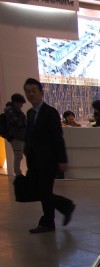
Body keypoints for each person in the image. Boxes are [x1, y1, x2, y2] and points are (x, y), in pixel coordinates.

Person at [22, 77, 75, 233]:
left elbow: (57, 137)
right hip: (34, 160)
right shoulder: (30, 113)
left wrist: (62, 159)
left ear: (41, 93)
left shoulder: (50, 112)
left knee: (44, 192)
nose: (30, 94)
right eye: (27, 91)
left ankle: (50, 219)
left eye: (33, 91)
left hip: (47, 161)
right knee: (40, 191)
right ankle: (61, 210)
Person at [3, 93, 28, 176]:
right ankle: (17, 172)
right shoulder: (10, 111)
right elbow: (17, 122)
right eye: (20, 103)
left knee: (22, 154)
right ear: (15, 102)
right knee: (18, 155)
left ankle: (19, 172)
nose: (21, 105)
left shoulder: (15, 110)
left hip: (20, 136)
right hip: (16, 136)